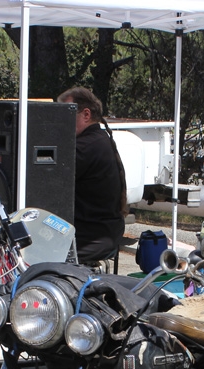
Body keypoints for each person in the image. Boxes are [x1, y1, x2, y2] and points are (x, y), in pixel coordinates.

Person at [56, 87, 128, 264]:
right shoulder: (99, 138)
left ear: (86, 114)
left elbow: (51, 182)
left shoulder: (85, 146)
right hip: (105, 232)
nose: (60, 121)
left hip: (91, 237)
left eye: (66, 114)